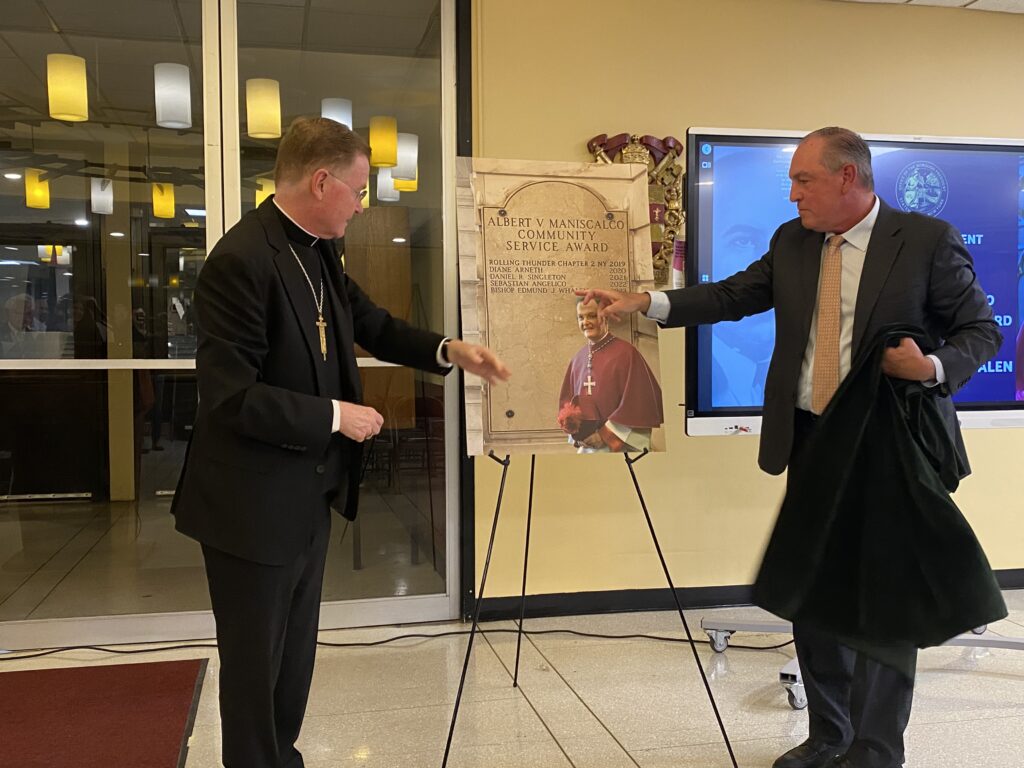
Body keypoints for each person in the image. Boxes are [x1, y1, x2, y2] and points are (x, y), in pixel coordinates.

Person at [580, 127, 1001, 768]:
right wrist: (646, 302)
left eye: (804, 179)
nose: (793, 192)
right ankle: (829, 735)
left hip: (888, 444)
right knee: (813, 592)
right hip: (811, 440)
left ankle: (876, 748)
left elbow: (982, 330)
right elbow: (730, 295)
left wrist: (934, 367)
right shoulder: (793, 242)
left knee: (884, 603)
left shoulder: (923, 241)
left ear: (848, 178)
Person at [171, 116, 510, 768]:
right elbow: (231, 396)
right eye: (357, 190)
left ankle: (282, 758)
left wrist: (447, 349)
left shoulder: (317, 247)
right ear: (322, 181)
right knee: (253, 667)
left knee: (293, 657)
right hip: (249, 505)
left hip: (306, 494)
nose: (362, 204)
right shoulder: (241, 261)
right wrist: (334, 416)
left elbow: (371, 322)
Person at [557, 297, 663, 452]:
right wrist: (577, 434)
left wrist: (604, 435)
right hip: (588, 449)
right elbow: (570, 404)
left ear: (606, 316)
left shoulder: (626, 354)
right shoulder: (577, 359)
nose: (585, 322)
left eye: (591, 316)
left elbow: (637, 405)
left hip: (621, 447)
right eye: (581, 317)